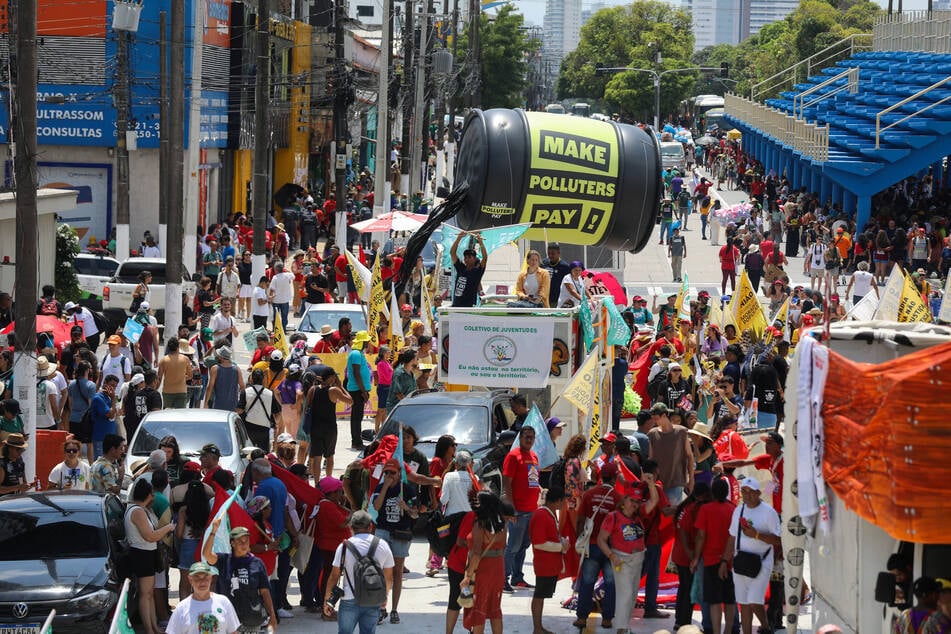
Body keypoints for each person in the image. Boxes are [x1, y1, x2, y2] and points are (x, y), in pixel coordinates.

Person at [598, 481, 660, 634]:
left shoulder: (638, 516)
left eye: (637, 502)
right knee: (625, 595)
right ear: (624, 500)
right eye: (632, 500)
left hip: (637, 560)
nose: (635, 504)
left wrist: (651, 484)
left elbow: (654, 501)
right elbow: (601, 540)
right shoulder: (613, 517)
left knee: (632, 595)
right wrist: (612, 556)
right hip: (621, 560)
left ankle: (624, 626)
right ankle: (621, 629)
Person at [322, 510, 395, 634]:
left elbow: (334, 576)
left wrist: (327, 600)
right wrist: (384, 596)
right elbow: (388, 577)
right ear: (370, 526)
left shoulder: (344, 546)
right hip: (373, 598)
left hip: (349, 599)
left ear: (351, 527)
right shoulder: (382, 545)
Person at [726, 478, 781, 634]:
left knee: (754, 601)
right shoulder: (739, 510)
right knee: (743, 602)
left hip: (762, 560)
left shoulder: (768, 512)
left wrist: (756, 535)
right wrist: (725, 560)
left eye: (751, 491)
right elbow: (731, 536)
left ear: (758, 493)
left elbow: (779, 539)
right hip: (741, 560)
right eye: (744, 491)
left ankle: (765, 626)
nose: (747, 495)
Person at [201, 521, 278, 632]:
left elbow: (265, 592)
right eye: (240, 541)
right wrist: (213, 531)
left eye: (246, 541)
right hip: (227, 620)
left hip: (251, 620)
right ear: (232, 543)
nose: (244, 544)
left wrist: (272, 615)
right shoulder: (224, 560)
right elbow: (207, 554)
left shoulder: (257, 563)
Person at [370, 458, 420, 624]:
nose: (390, 475)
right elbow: (376, 507)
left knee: (397, 572)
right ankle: (380, 607)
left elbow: (415, 514)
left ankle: (394, 609)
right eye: (387, 472)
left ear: (399, 473)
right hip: (383, 530)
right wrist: (384, 486)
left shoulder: (408, 489)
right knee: (382, 571)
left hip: (400, 533)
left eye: (393, 472)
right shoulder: (379, 488)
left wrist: (406, 508)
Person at [574, 462, 623, 629]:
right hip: (610, 549)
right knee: (611, 583)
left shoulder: (589, 494)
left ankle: (581, 618)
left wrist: (579, 539)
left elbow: (580, 520)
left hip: (592, 546)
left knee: (587, 581)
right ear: (616, 477)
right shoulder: (618, 498)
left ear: (601, 476)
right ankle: (607, 619)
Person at [125, 479, 176, 634]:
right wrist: (168, 527)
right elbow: (150, 536)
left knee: (149, 594)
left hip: (145, 553)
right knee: (145, 594)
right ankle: (149, 629)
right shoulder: (138, 511)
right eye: (152, 494)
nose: (153, 497)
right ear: (148, 494)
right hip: (142, 554)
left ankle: (154, 627)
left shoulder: (138, 509)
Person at [692, 477, 737, 634]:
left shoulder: (705, 509)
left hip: (711, 560)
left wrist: (696, 558)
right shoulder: (733, 509)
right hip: (730, 560)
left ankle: (716, 631)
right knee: (730, 599)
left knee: (714, 600)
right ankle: (729, 631)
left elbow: (701, 536)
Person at [461, 491, 509, 634]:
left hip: (482, 569)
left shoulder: (479, 524)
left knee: (478, 609)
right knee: (495, 608)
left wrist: (468, 576)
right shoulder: (502, 523)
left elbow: (476, 553)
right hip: (498, 567)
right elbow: (503, 547)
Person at [502, 425, 541, 592]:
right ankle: (503, 577)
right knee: (513, 546)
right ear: (520, 438)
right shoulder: (513, 456)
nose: (529, 439)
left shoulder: (534, 456)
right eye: (526, 436)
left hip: (531, 509)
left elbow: (532, 480)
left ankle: (518, 577)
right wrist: (511, 507)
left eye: (532, 437)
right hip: (518, 510)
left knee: (524, 545)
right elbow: (506, 482)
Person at [673, 482, 712, 631]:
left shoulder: (684, 506)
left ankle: (680, 621)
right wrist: (691, 553)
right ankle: (684, 622)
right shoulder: (694, 508)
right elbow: (685, 531)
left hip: (680, 552)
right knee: (689, 588)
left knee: (684, 587)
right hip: (686, 553)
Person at [529, 486, 568, 634]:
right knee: (539, 596)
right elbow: (539, 543)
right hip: (544, 564)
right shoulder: (541, 515)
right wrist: (561, 546)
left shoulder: (549, 514)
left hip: (549, 563)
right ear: (557, 501)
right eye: (563, 501)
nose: (564, 504)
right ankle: (537, 628)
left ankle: (538, 627)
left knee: (541, 596)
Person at [165, 561, 241, 634]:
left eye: (206, 577)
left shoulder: (223, 602)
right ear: (190, 580)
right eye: (197, 577)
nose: (202, 582)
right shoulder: (181, 608)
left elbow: (233, 631)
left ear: (211, 578)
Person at [307, 368, 352, 478]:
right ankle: (328, 480)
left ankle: (317, 484)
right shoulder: (334, 390)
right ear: (331, 377)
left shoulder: (313, 389)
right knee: (329, 456)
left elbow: (307, 408)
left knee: (317, 457)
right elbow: (350, 401)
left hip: (315, 427)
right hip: (329, 428)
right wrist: (341, 386)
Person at [648, 403, 693, 504]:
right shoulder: (652, 434)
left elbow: (690, 456)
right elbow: (650, 459)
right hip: (657, 484)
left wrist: (691, 480)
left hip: (675, 483)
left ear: (664, 416)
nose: (654, 422)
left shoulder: (681, 432)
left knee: (672, 515)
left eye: (656, 418)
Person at [174, 479, 211, 599]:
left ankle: (184, 613)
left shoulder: (184, 510)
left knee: (185, 584)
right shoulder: (208, 507)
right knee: (202, 582)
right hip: (204, 547)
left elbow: (179, 534)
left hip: (187, 547)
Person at [238, 369, 282, 451]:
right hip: (264, 429)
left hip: (248, 427)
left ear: (251, 379)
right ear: (263, 379)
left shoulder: (245, 392)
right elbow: (277, 414)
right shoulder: (270, 394)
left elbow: (239, 410)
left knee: (247, 452)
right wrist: (276, 424)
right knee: (263, 454)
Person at [345, 331, 373, 450]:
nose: (368, 342)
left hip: (359, 390)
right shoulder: (356, 354)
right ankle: (356, 442)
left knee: (358, 417)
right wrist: (363, 391)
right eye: (366, 341)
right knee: (356, 418)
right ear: (362, 342)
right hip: (357, 390)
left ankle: (357, 441)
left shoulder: (359, 353)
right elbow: (356, 374)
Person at [450, 232, 487, 308]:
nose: (466, 259)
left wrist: (481, 242)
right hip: (456, 305)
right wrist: (459, 238)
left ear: (474, 258)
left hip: (468, 307)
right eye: (465, 257)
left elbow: (485, 258)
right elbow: (452, 253)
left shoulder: (477, 271)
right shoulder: (461, 268)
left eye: (469, 257)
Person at [204, 346, 244, 412]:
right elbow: (242, 387)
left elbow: (210, 387)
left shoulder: (215, 369)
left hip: (218, 404)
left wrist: (206, 403)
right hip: (233, 405)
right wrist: (241, 404)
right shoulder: (237, 369)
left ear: (221, 357)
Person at [157, 338, 193, 409]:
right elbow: (190, 376)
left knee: (167, 416)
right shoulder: (185, 359)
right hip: (181, 391)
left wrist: (155, 389)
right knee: (179, 416)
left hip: (167, 392)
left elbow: (159, 378)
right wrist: (181, 377)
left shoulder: (163, 360)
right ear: (178, 347)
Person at [269, 260, 296, 328]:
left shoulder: (275, 278)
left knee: (276, 317)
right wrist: (286, 271)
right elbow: (293, 276)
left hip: (276, 300)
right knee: (284, 317)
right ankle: (284, 329)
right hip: (285, 300)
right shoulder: (287, 275)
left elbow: (271, 289)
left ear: (275, 269)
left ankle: (276, 329)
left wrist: (270, 298)